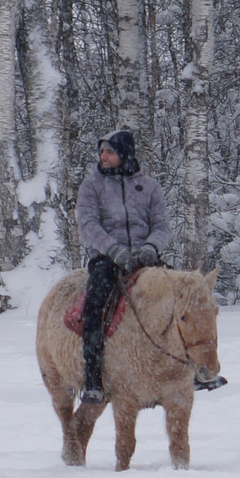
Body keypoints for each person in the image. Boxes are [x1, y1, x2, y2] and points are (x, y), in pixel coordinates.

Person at [73, 129, 173, 405]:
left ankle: (191, 369)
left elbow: (162, 226)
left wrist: (150, 248)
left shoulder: (149, 186)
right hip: (107, 259)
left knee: (182, 301)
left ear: (124, 154)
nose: (103, 157)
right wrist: (113, 250)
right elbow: (88, 225)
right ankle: (93, 380)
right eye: (102, 151)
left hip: (145, 257)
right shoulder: (91, 186)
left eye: (110, 151)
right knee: (94, 310)